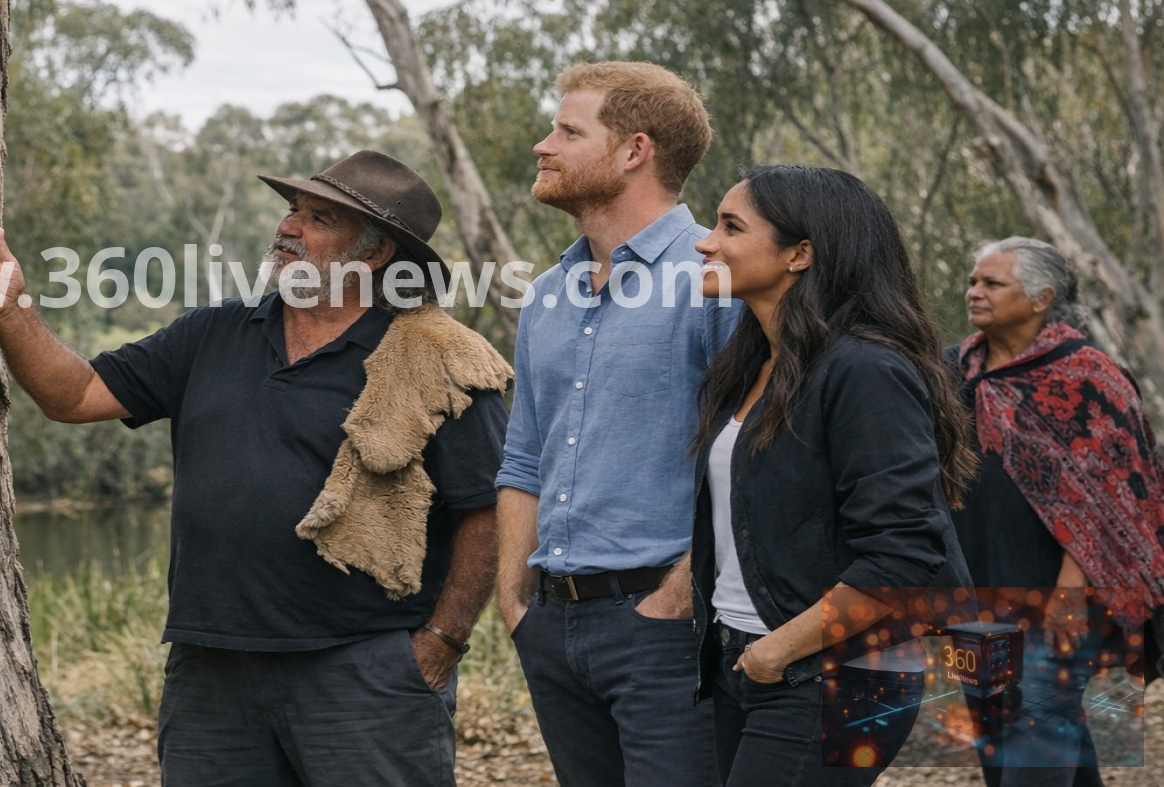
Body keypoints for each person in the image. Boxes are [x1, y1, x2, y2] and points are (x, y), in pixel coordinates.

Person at [0, 149, 508, 787]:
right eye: (292, 210)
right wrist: (10, 311)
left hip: (365, 669)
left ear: (373, 256)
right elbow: (75, 395)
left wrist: (442, 642)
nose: (288, 227)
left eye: (317, 218)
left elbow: (487, 510)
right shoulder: (213, 333)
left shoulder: (437, 357)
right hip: (210, 669)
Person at [688, 165, 977, 786]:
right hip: (747, 659)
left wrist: (777, 650)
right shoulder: (753, 364)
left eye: (730, 226)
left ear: (800, 253)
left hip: (831, 670)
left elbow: (901, 556)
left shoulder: (866, 369)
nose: (705, 241)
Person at [496, 61, 740, 787]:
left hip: (667, 628)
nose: (544, 145)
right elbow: (522, 461)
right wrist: (515, 603)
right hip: (551, 626)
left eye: (568, 131)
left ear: (636, 150)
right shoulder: (546, 294)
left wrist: (679, 591)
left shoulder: (714, 278)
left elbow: (754, 455)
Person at [948, 236, 1164, 785]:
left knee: (1038, 732)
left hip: (1054, 599)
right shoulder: (954, 371)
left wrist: (1071, 593)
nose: (975, 292)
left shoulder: (1088, 376)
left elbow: (1118, 497)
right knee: (998, 738)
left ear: (1042, 297)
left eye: (993, 283)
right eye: (974, 280)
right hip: (974, 590)